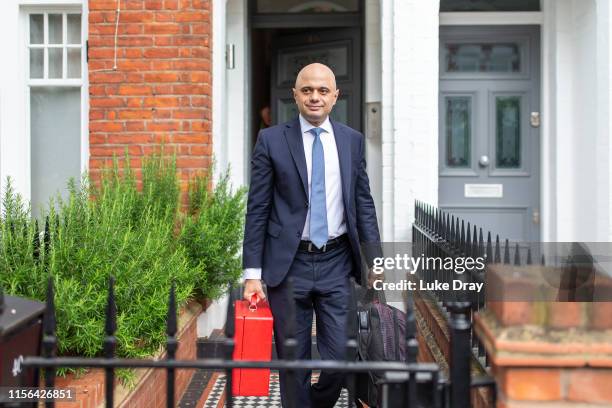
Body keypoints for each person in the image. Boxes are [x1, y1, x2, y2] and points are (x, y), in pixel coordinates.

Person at [241, 63, 381, 408]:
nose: (314, 97)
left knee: (340, 358)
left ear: (335, 96)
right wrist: (252, 274)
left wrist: (376, 260)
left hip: (337, 261)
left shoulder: (352, 141)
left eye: (322, 91)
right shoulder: (271, 140)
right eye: (307, 90)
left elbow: (363, 204)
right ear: (295, 96)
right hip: (289, 266)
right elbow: (257, 209)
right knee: (293, 362)